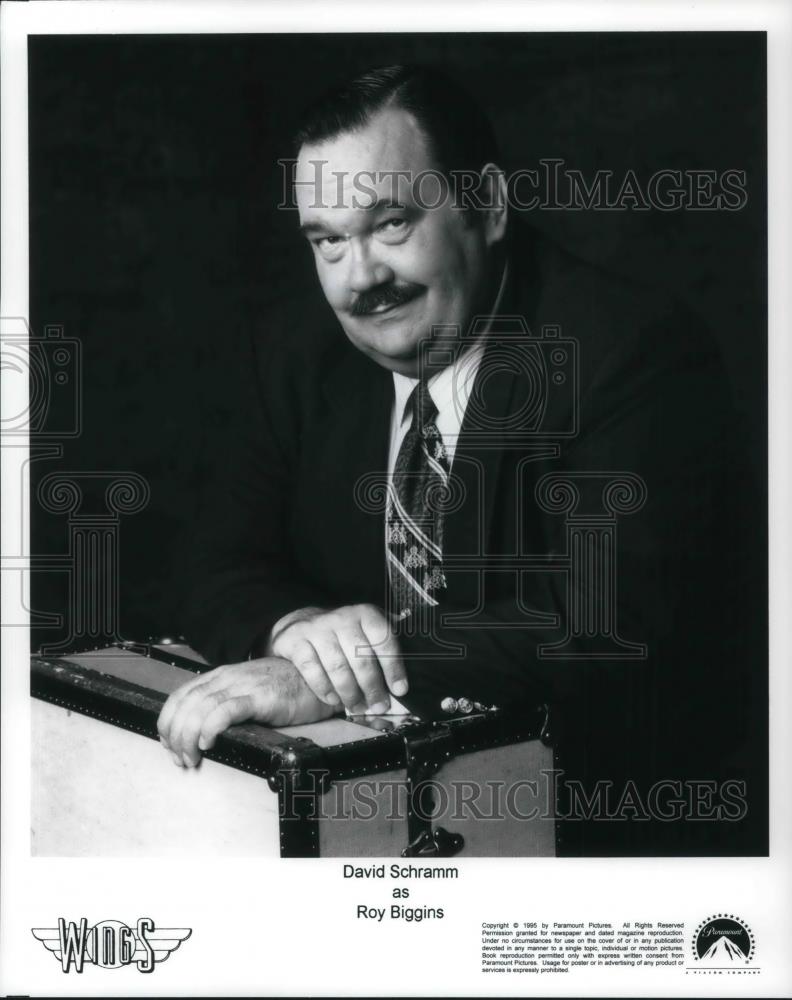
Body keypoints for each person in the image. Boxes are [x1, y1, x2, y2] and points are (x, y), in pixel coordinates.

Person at [158, 65, 762, 855]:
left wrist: (333, 674)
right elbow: (210, 560)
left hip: (594, 829)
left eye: (392, 224)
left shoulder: (632, 351)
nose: (360, 278)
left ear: (488, 206)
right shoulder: (294, 354)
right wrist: (297, 630)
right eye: (328, 240)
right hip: (365, 822)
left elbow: (606, 617)